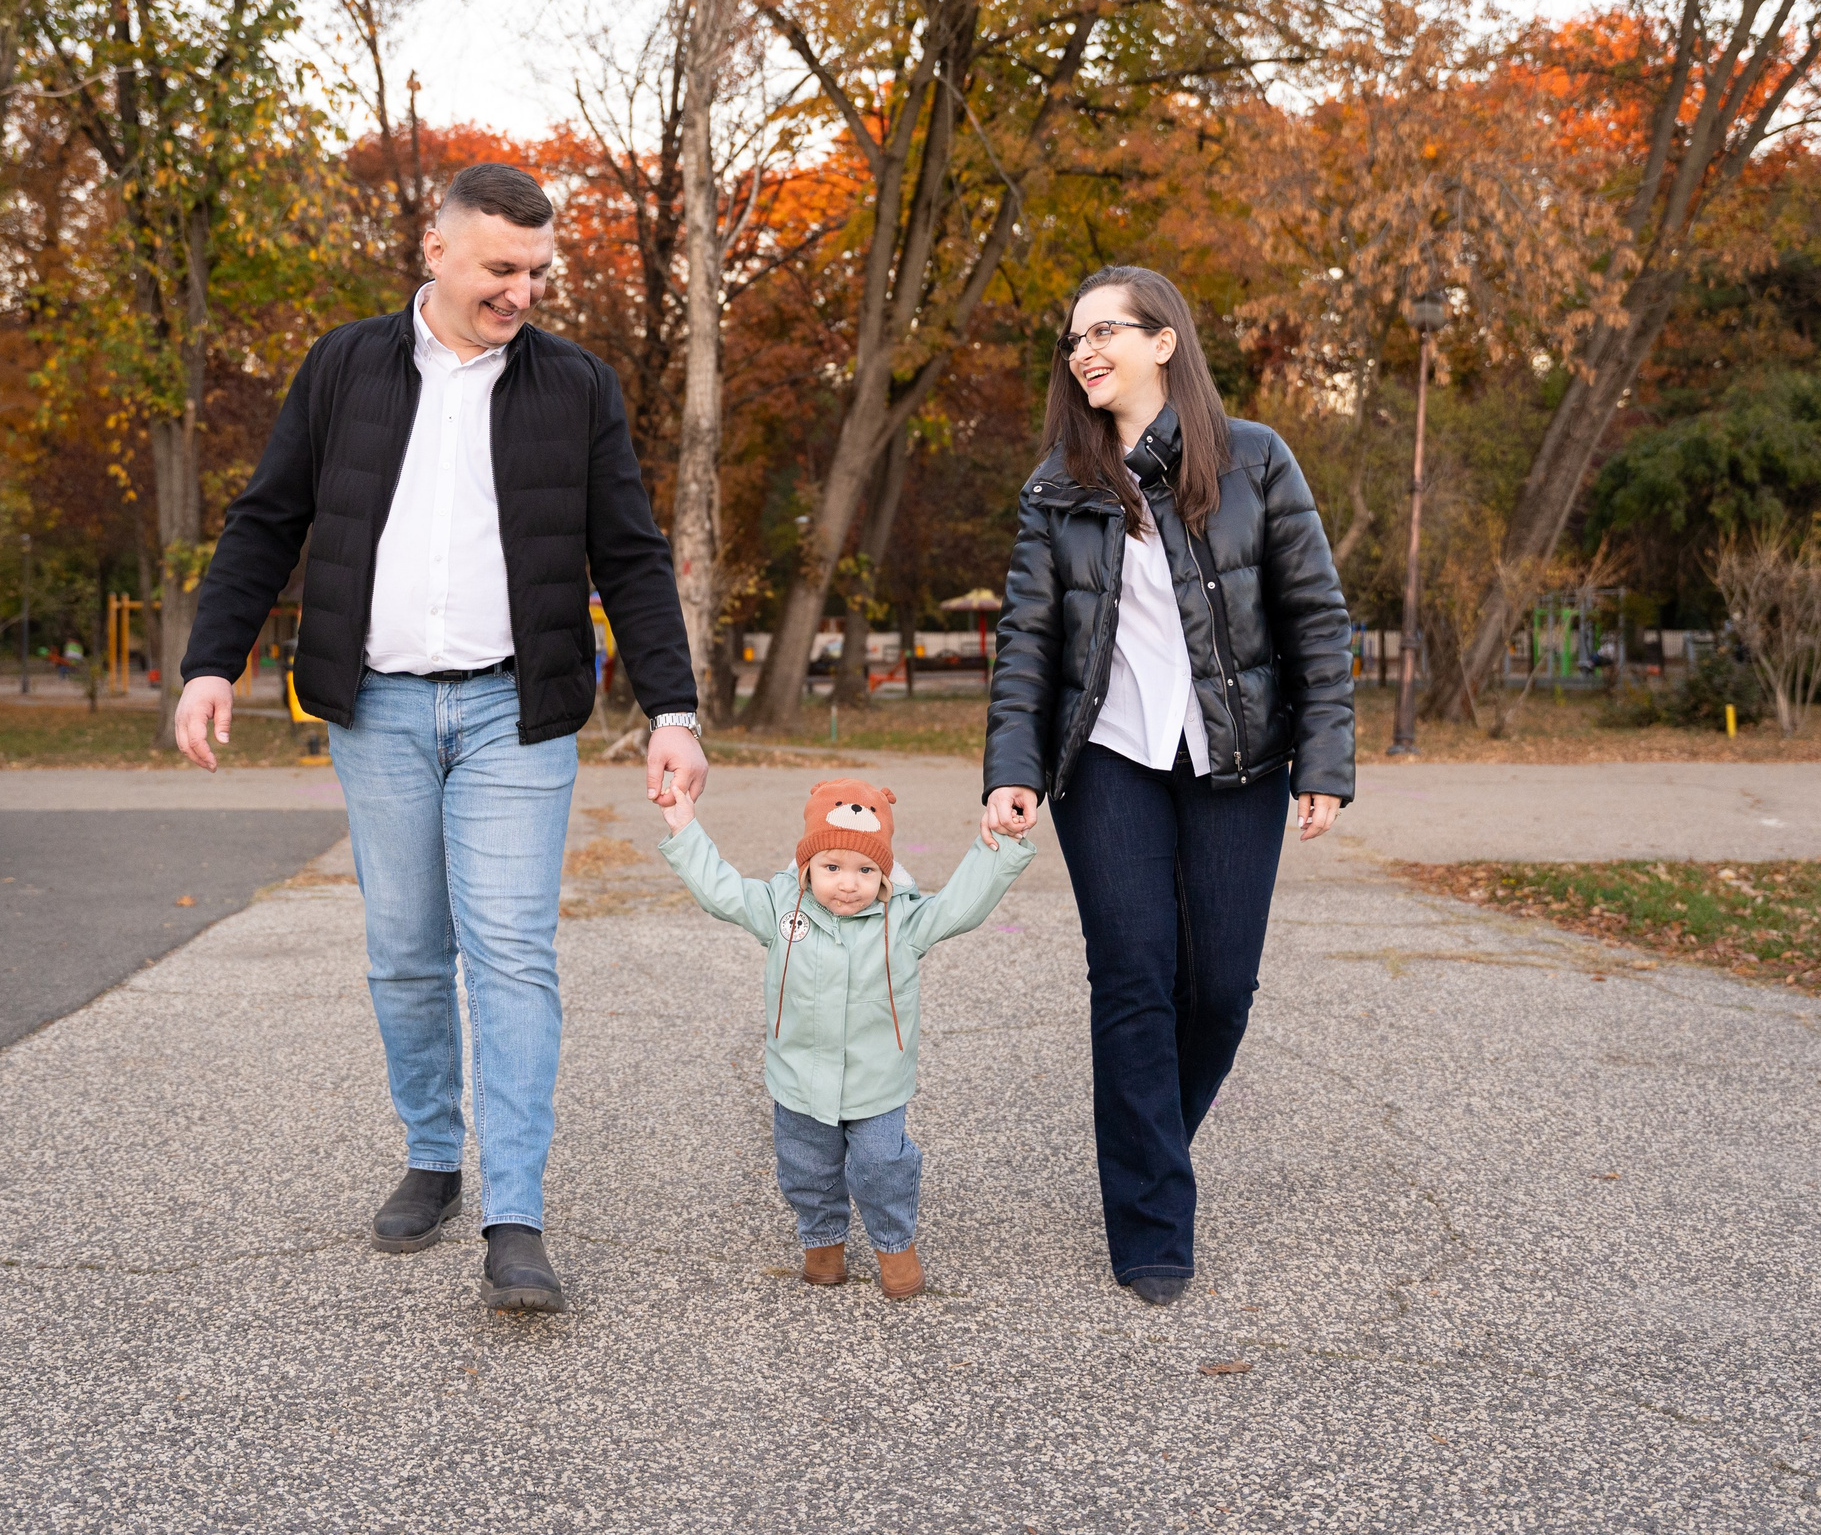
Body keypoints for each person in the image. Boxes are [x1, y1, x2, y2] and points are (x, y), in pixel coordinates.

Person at [172, 162, 709, 1314]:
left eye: (537, 272)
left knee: (511, 952)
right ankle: (432, 1153)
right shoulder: (344, 367)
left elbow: (630, 553)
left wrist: (673, 710)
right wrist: (210, 663)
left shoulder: (576, 386)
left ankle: (516, 1214)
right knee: (409, 950)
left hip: (519, 711)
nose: (520, 291)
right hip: (380, 711)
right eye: (500, 268)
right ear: (438, 250)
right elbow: (268, 518)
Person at [980, 264, 1353, 1308]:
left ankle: (1150, 1146)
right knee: (1134, 976)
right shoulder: (1058, 486)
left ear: (1163, 342)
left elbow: (1315, 619)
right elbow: (1027, 644)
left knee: (1220, 989)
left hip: (1237, 760)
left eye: (1106, 330)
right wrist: (1011, 772)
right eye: (1072, 338)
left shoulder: (1257, 461)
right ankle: (1149, 1216)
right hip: (1107, 764)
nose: (1084, 351)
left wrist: (1324, 762)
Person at [655, 778, 1035, 1297]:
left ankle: (894, 1247)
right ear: (807, 866)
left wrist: (1003, 844)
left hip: (876, 1082)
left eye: (864, 870)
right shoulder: (779, 909)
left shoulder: (903, 921)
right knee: (807, 1169)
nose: (847, 883)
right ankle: (823, 1244)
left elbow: (961, 904)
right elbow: (719, 889)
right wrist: (683, 827)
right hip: (799, 1078)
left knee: (882, 1166)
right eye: (831, 868)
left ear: (884, 873)